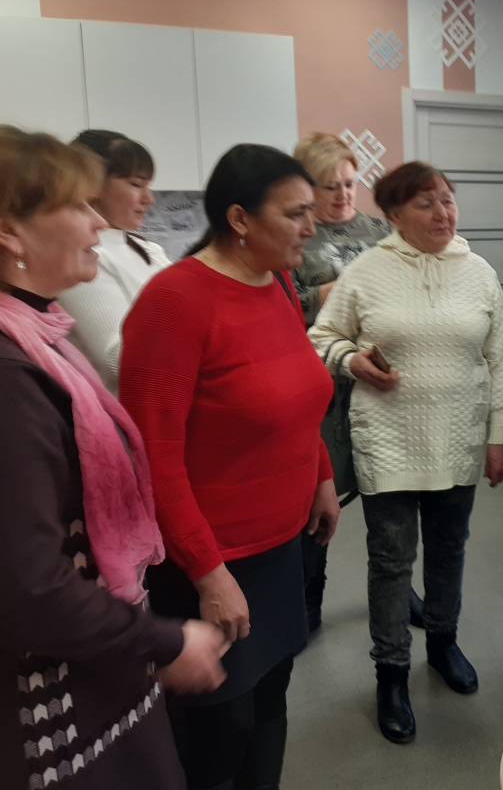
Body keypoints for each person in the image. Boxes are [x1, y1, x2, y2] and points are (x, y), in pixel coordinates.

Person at [0, 126, 225, 789]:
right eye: (77, 205)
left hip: (86, 664)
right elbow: (33, 585)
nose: (97, 220)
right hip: (51, 698)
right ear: (10, 233)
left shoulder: (37, 335)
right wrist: (164, 641)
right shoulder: (12, 377)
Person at [120, 144, 341, 790]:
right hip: (211, 559)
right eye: (295, 213)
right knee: (221, 731)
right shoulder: (175, 300)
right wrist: (208, 572)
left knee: (270, 704)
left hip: (280, 548)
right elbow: (153, 455)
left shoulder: (277, 283)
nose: (311, 227)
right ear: (240, 218)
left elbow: (298, 395)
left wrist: (322, 476)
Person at [309, 161, 503, 745]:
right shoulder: (366, 272)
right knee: (391, 562)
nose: (443, 213)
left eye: (448, 200)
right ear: (395, 215)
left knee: (449, 550)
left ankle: (443, 644)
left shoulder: (478, 272)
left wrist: (499, 434)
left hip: (458, 438)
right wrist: (352, 361)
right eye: (426, 204)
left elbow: (500, 357)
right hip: (389, 441)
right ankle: (391, 673)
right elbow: (321, 337)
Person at [289, 132, 409, 633]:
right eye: (330, 186)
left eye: (349, 183)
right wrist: (331, 294)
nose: (343, 194)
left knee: (392, 499)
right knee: (318, 498)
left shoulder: (382, 231)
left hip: (379, 384)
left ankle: (401, 591)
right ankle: (307, 600)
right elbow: (279, 303)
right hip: (321, 390)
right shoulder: (295, 234)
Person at [56, 130, 170, 396]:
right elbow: (119, 358)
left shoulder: (149, 249)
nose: (149, 199)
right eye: (136, 184)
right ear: (93, 186)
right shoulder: (84, 257)